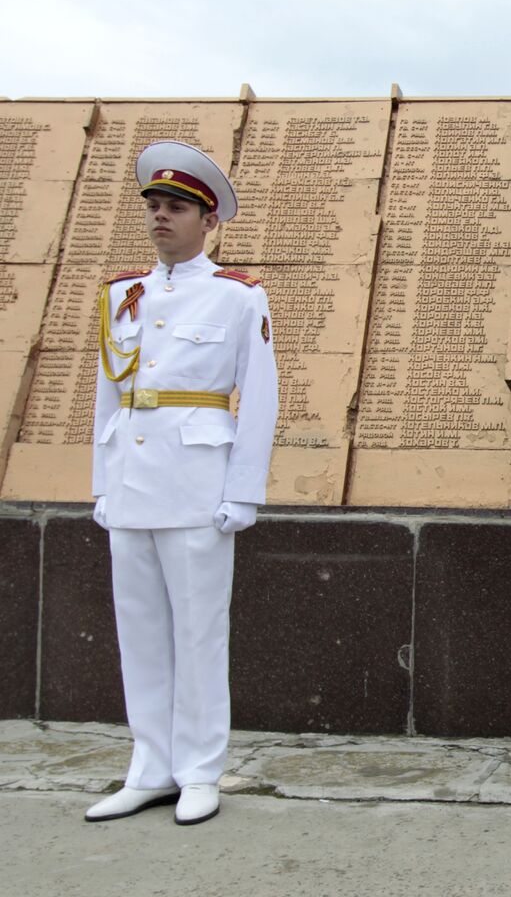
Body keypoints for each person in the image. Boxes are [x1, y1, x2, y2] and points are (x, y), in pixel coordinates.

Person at [84, 140, 278, 826]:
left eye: (176, 208)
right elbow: (110, 397)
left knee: (198, 633)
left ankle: (198, 771)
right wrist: (102, 484)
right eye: (154, 206)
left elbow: (259, 400)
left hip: (197, 483)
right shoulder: (122, 296)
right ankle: (150, 768)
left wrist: (242, 492)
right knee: (139, 633)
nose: (160, 217)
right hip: (132, 482)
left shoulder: (237, 296)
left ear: (208, 220)